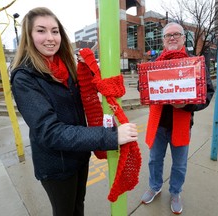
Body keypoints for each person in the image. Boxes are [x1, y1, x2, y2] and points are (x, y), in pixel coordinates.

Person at [10, 7, 138, 216]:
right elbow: (49, 131)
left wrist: (93, 75)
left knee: (79, 205)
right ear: (29, 36)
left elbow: (85, 100)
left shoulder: (66, 68)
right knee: (65, 212)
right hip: (56, 165)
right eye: (41, 31)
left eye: (55, 31)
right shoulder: (25, 78)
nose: (50, 38)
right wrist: (110, 136)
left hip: (79, 156)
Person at [140, 22, 215, 214]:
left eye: (176, 34)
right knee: (155, 159)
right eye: (168, 35)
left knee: (179, 164)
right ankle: (155, 186)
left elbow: (207, 93)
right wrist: (145, 89)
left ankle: (175, 192)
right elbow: (143, 89)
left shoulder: (196, 63)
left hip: (181, 124)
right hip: (158, 125)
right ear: (163, 40)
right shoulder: (153, 64)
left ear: (183, 38)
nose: (172, 38)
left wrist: (187, 105)